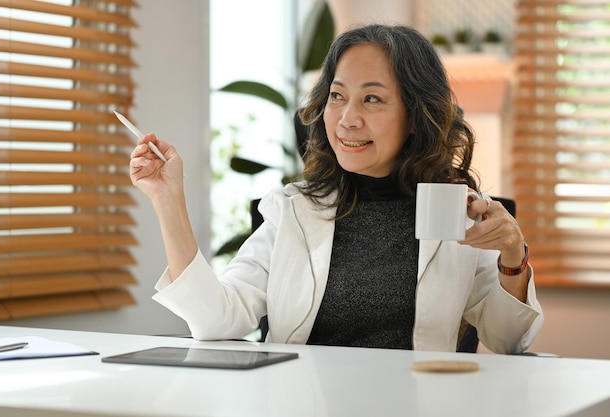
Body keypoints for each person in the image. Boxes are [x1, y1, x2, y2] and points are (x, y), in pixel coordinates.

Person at [130, 24, 543, 353]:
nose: (346, 119)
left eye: (373, 100)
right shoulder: (292, 209)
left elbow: (509, 341)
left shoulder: (458, 210)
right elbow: (216, 319)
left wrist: (512, 256)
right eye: (337, 96)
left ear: (416, 116)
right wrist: (169, 200)